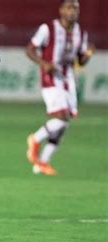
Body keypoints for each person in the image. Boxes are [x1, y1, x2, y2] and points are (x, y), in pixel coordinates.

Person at [25, 0, 94, 175]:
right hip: (51, 77)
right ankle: (35, 139)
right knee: (62, 118)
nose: (73, 11)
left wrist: (88, 54)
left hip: (68, 79)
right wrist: (43, 63)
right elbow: (30, 49)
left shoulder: (81, 33)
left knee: (64, 124)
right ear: (61, 10)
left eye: (76, 8)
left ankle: (42, 162)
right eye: (69, 8)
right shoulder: (48, 28)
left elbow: (80, 61)